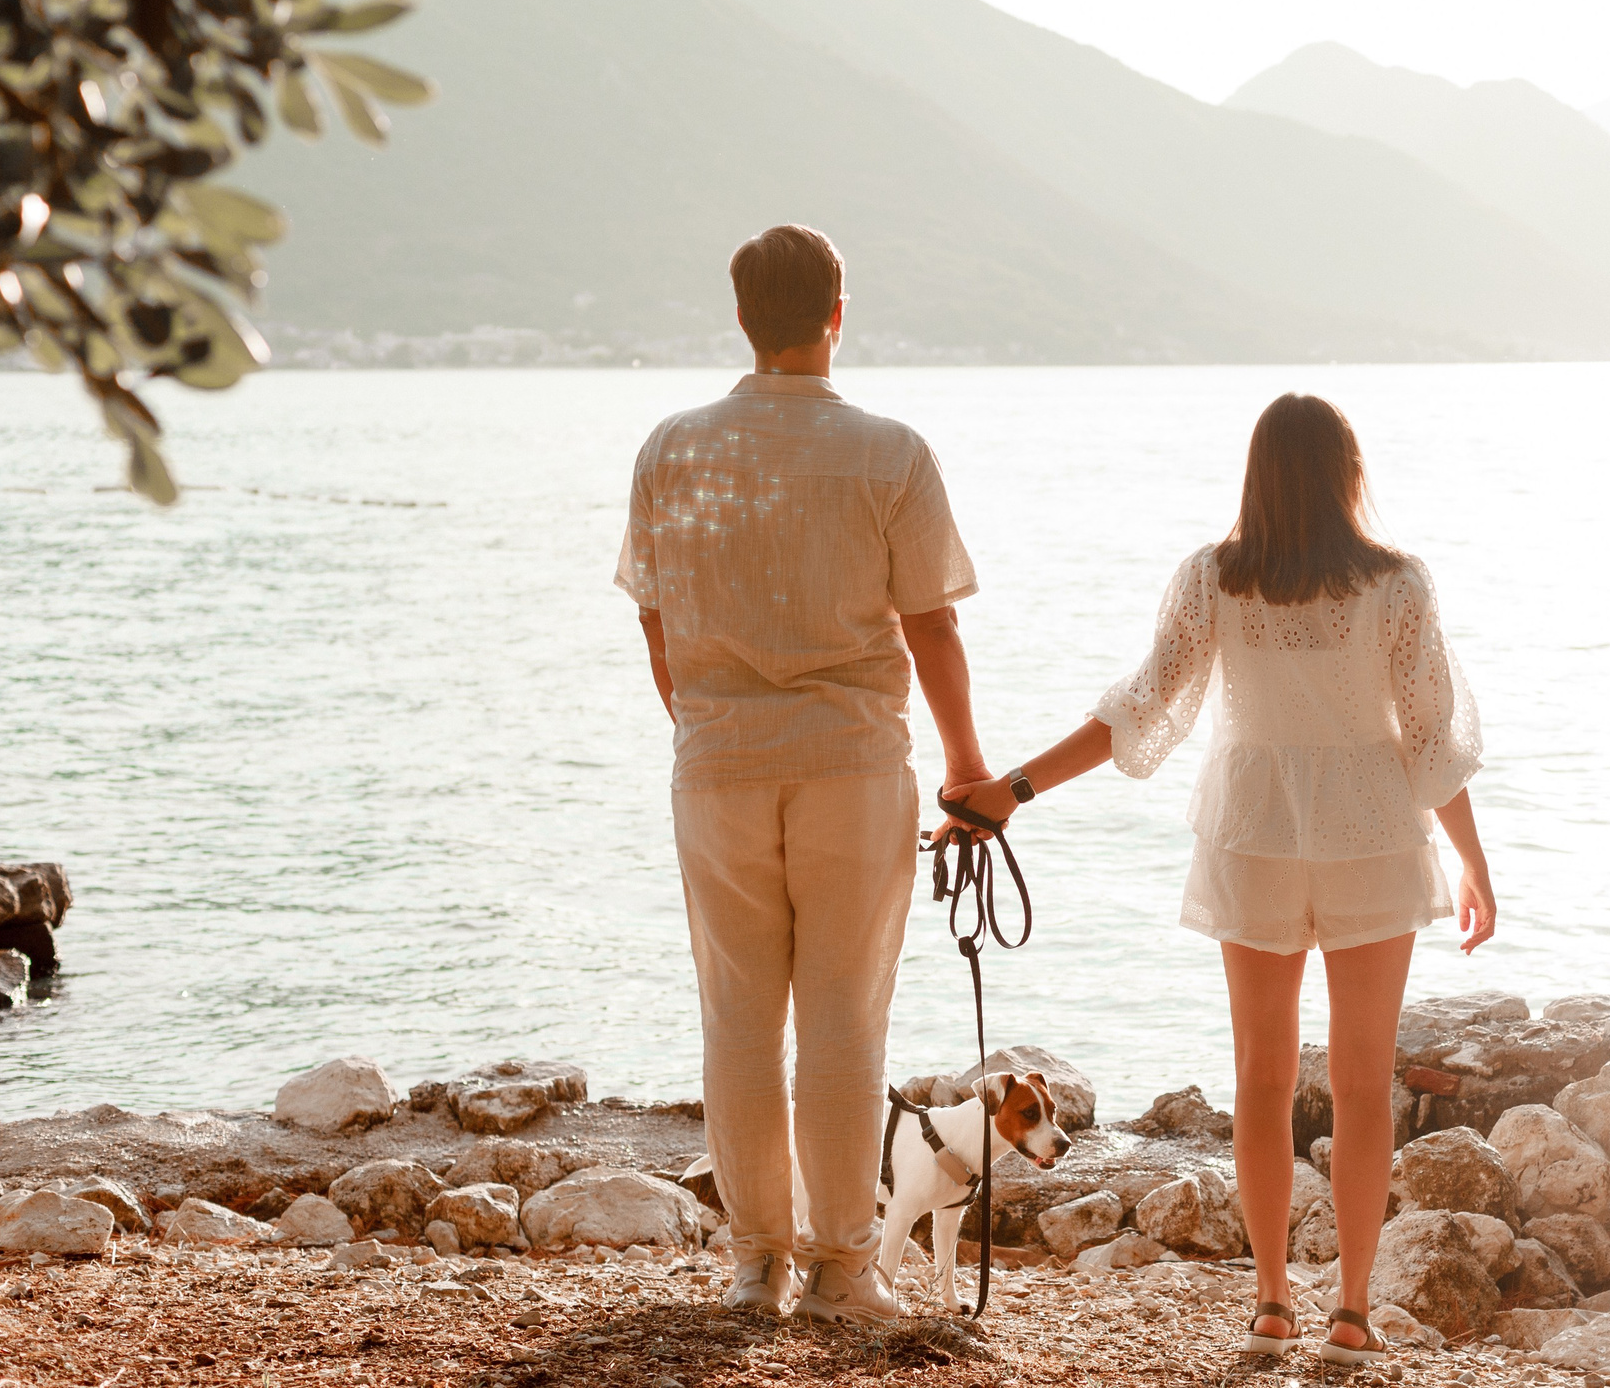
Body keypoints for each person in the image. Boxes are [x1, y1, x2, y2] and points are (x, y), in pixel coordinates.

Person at [942, 392, 1494, 1369]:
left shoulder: (1213, 579)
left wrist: (1014, 789)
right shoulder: (1397, 585)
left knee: (1261, 1078)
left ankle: (1274, 1301)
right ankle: (1351, 1311)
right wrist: (1471, 861)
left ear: (1257, 476)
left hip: (1254, 836)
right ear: (1346, 474)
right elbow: (1429, 739)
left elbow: (1139, 710)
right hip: (1369, 833)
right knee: (1364, 1087)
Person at [618, 224, 989, 1325]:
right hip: (853, 766)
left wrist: (709, 730)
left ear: (742, 318)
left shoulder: (671, 448)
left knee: (738, 1018)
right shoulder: (891, 453)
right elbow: (930, 630)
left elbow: (657, 625)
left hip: (720, 765)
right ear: (838, 313)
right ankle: (841, 1270)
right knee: (841, 1019)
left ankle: (753, 1266)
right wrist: (968, 768)